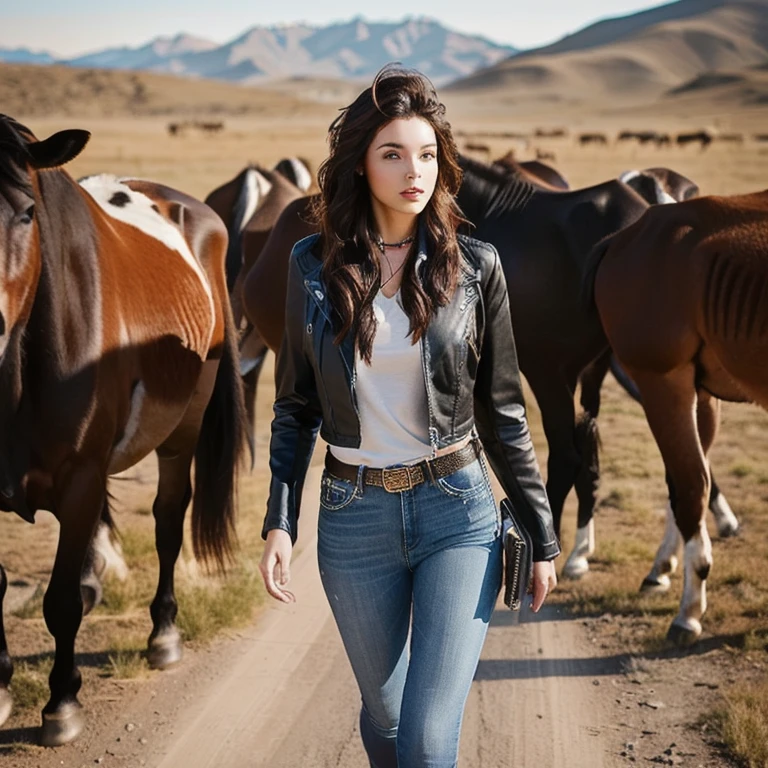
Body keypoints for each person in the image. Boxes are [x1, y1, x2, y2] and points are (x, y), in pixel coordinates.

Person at [258, 64, 559, 768]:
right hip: (352, 514)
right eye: (392, 153)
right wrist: (279, 517)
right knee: (388, 720)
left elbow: (504, 410)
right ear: (361, 166)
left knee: (427, 740)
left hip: (457, 510)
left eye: (426, 154)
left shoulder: (477, 267)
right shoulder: (310, 265)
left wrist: (541, 531)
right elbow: (295, 406)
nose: (412, 170)